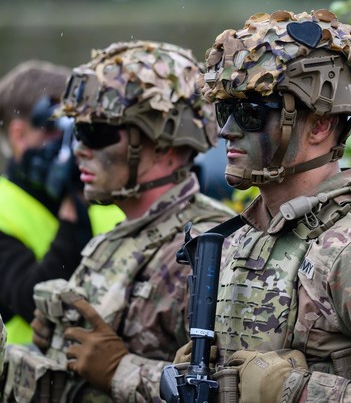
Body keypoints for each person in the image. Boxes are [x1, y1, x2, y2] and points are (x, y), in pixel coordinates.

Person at [174, 9, 351, 402]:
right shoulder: (242, 239)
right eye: (226, 110)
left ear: (320, 124)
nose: (227, 130)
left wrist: (294, 392)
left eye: (251, 114)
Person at [2, 41, 234, 402]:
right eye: (76, 131)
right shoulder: (115, 238)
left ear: (162, 142)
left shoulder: (213, 250)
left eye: (96, 133)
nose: (79, 149)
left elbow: (230, 388)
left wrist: (121, 369)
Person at [0, 61, 124, 345]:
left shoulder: (105, 198)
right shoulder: (3, 209)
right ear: (20, 135)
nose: (74, 142)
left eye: (79, 126)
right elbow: (31, 300)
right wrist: (73, 210)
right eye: (57, 127)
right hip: (24, 384)